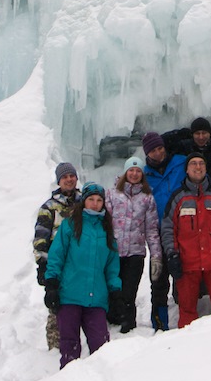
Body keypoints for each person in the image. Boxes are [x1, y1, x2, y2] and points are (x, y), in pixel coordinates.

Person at [43, 182, 122, 368]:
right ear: (84, 201)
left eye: (99, 200)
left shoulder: (107, 231)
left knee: (101, 347)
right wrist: (52, 283)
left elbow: (111, 266)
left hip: (97, 299)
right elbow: (56, 255)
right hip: (70, 295)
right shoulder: (70, 226)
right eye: (91, 199)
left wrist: (115, 291)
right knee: (69, 346)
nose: (95, 204)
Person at [160, 152, 211, 327]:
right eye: (193, 164)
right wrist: (172, 254)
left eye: (201, 164)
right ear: (187, 170)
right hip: (187, 264)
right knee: (187, 311)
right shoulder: (178, 198)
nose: (198, 167)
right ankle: (187, 347)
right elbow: (168, 228)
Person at [105, 155, 163, 333]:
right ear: (125, 172)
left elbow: (152, 229)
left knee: (129, 292)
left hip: (135, 253)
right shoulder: (112, 194)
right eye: (131, 170)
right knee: (113, 289)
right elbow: (105, 223)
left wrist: (156, 256)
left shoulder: (147, 198)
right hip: (114, 252)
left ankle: (128, 327)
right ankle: (112, 322)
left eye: (138, 171)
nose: (134, 174)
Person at [33, 161, 82, 350]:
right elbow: (40, 238)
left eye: (72, 176)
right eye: (65, 177)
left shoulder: (85, 201)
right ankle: (55, 346)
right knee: (56, 303)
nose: (69, 180)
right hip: (57, 264)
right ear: (59, 181)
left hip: (80, 262)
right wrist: (43, 264)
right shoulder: (49, 207)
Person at [142, 131, 188, 331]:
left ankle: (186, 318)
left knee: (184, 274)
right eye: (153, 150)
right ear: (147, 153)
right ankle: (159, 324)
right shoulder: (143, 175)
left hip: (183, 229)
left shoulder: (181, 163)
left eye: (160, 148)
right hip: (159, 232)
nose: (158, 153)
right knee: (159, 280)